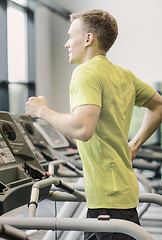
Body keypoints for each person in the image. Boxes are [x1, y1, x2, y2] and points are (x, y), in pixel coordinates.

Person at [26, 9, 162, 240]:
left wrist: (43, 111)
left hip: (108, 200)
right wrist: (134, 145)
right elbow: (159, 105)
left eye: (71, 36)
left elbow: (82, 128)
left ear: (88, 38)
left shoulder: (85, 73)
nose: (67, 44)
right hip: (115, 194)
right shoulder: (123, 74)